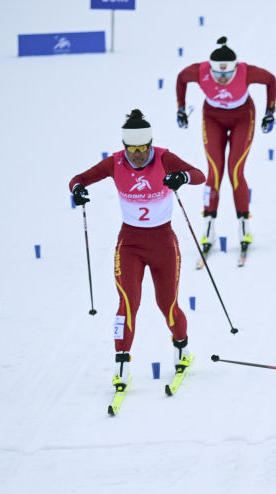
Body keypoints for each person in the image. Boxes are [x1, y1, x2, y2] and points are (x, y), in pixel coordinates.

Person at [68, 109, 206, 392]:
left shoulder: (164, 157)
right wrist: (78, 190)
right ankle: (121, 367)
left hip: (163, 243)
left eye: (144, 149)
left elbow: (200, 175)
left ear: (151, 144)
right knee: (127, 304)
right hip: (130, 244)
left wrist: (181, 177)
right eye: (132, 150)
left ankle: (182, 351)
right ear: (124, 147)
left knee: (167, 305)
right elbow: (78, 178)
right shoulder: (115, 163)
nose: (139, 155)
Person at [175, 36, 276, 258]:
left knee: (235, 170)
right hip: (212, 117)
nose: (222, 79)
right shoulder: (199, 71)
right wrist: (180, 109)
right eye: (218, 74)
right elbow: (181, 79)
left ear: (235, 69)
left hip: (242, 116)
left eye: (228, 74)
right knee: (214, 170)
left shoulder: (246, 71)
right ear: (210, 69)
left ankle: (243, 225)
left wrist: (270, 112)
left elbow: (271, 80)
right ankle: (208, 224)